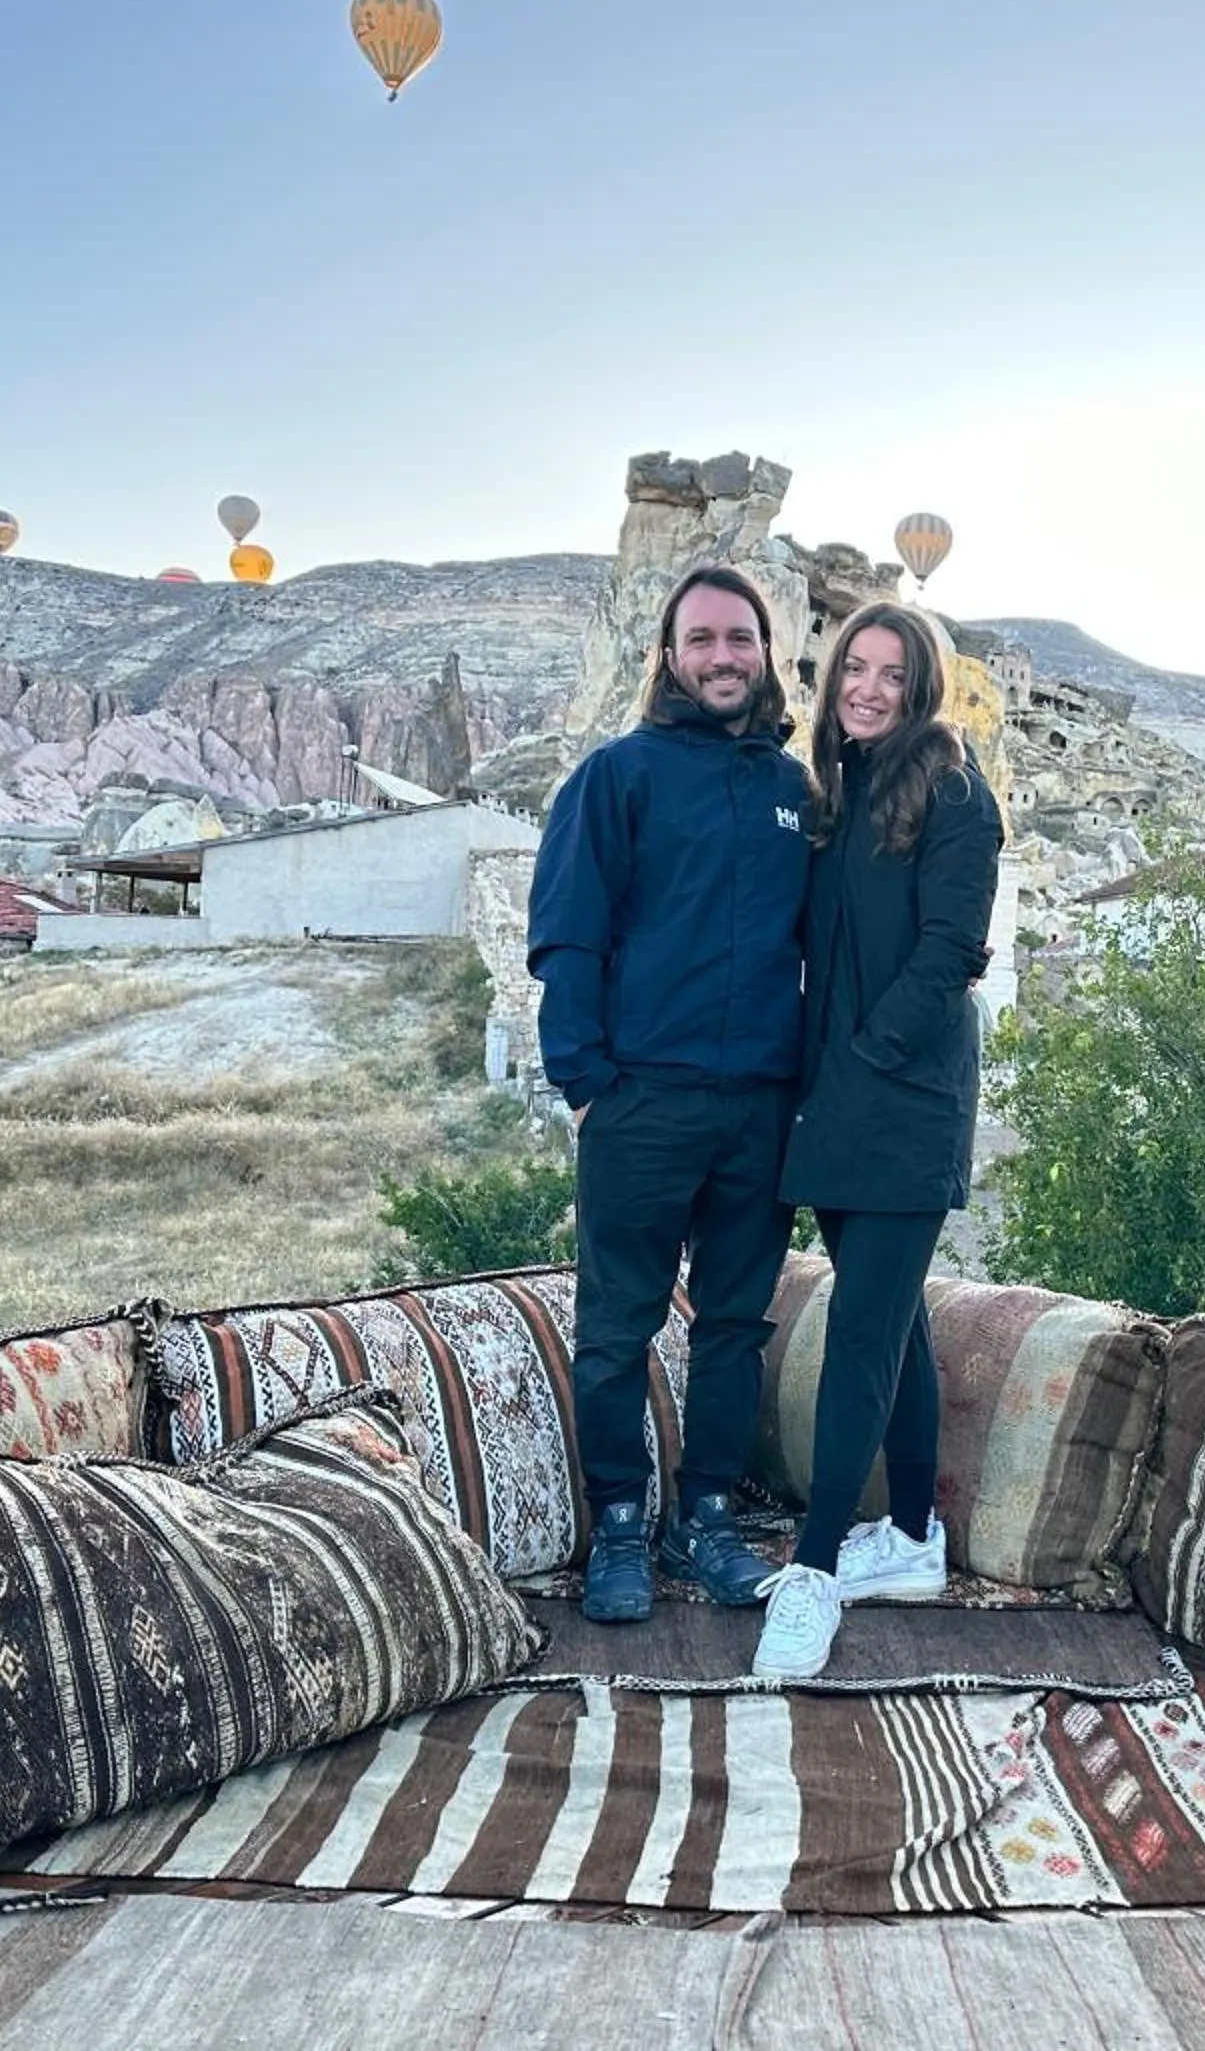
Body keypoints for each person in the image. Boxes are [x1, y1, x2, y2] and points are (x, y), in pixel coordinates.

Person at [528, 566, 810, 1624]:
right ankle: (617, 1531)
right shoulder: (617, 776)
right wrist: (588, 1089)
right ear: (670, 654)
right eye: (703, 640)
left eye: (741, 639)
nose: (723, 657)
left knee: (734, 1328)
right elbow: (565, 935)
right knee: (616, 1330)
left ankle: (709, 1526)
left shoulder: (794, 793)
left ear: (765, 655)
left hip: (760, 1111)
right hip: (641, 1102)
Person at [752, 601, 1003, 1681]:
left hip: (901, 1102)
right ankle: (908, 1539)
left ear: (921, 687)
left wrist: (868, 1054)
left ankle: (813, 1573)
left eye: (889, 674)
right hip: (837, 1099)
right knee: (891, 1323)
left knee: (861, 1326)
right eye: (851, 667)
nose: (865, 687)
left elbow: (952, 947)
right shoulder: (844, 792)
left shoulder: (951, 788)